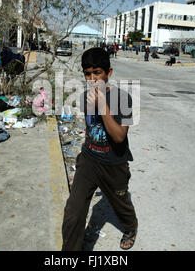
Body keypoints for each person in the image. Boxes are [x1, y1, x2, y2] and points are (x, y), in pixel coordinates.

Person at [62, 47, 138, 251]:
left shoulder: (124, 99)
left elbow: (119, 137)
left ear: (109, 73)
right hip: (89, 160)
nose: (92, 79)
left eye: (97, 73)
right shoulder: (84, 98)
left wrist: (102, 104)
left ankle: (131, 227)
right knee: (73, 212)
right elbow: (90, 128)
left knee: (121, 205)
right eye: (88, 74)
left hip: (114, 163)